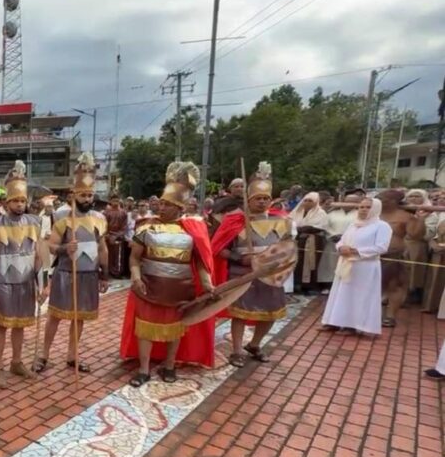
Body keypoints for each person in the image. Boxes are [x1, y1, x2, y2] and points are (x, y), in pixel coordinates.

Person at [120, 162, 216, 387]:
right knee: (145, 329)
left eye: (167, 204)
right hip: (149, 286)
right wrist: (135, 277)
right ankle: (143, 369)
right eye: (160, 203)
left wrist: (207, 282)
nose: (161, 208)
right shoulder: (146, 227)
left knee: (175, 329)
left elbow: (200, 262)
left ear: (179, 207)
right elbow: (134, 258)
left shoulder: (193, 230)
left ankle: (169, 365)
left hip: (180, 289)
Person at [33, 153, 109, 374]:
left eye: (90, 195)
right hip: (66, 273)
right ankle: (44, 355)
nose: (87, 199)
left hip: (89, 275)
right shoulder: (63, 219)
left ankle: (72, 355)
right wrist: (66, 248)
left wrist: (105, 274)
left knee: (80, 318)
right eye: (83, 195)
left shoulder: (99, 219)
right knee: (55, 316)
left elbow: (103, 248)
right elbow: (51, 247)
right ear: (74, 195)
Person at [211, 161, 292, 368]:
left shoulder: (281, 222)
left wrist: (281, 261)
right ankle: (237, 349)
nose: (262, 202)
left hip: (270, 275)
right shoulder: (235, 221)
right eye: (258, 198)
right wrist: (241, 258)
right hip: (242, 274)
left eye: (266, 198)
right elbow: (219, 249)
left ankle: (254, 345)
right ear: (249, 200)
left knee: (271, 313)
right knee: (240, 313)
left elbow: (288, 247)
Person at [0, 161, 41, 390]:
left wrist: (42, 285)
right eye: (16, 200)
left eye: (22, 200)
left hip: (26, 283)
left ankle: (16, 362)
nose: (20, 204)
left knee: (20, 325)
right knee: (2, 326)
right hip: (3, 284)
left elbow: (38, 256)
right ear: (7, 202)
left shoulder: (34, 223)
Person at [321, 198, 392, 335]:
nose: (364, 209)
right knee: (340, 294)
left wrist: (355, 251)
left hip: (365, 267)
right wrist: (341, 248)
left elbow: (381, 247)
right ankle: (334, 322)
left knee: (358, 296)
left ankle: (352, 325)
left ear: (376, 209)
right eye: (361, 207)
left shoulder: (381, 226)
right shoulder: (354, 224)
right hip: (347, 263)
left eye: (368, 207)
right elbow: (342, 240)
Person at [379, 189, 420, 328]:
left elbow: (415, 235)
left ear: (395, 201)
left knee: (394, 286)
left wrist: (419, 217)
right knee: (370, 286)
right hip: (371, 255)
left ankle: (390, 316)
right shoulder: (373, 213)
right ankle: (369, 313)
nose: (382, 200)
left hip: (394, 255)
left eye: (386, 198)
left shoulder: (405, 216)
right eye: (381, 198)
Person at [318, 192, 361, 295]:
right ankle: (327, 286)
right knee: (329, 264)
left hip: (350, 245)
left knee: (347, 265)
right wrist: (333, 235)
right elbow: (325, 226)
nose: (349, 204)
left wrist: (345, 237)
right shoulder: (332, 213)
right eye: (347, 201)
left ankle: (346, 288)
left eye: (353, 202)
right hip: (332, 242)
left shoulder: (360, 214)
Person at [289, 192, 329, 295]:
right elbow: (288, 223)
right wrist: (298, 230)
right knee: (297, 262)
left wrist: (301, 229)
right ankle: (296, 284)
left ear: (316, 202)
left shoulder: (320, 213)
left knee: (310, 263)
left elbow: (317, 227)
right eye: (305, 200)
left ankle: (309, 286)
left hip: (313, 241)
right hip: (297, 240)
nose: (307, 203)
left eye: (310, 201)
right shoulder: (297, 211)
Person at [403, 189, 431, 304]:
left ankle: (412, 294)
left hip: (418, 246)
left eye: (417, 196)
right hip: (402, 244)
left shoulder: (430, 212)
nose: (414, 198)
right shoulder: (402, 212)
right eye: (411, 196)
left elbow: (428, 233)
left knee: (416, 272)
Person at [104, 200, 130, 278]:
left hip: (118, 237)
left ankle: (117, 272)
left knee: (118, 255)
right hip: (108, 236)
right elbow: (104, 226)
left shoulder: (123, 213)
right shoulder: (106, 213)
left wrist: (116, 236)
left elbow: (124, 226)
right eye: (113, 200)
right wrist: (108, 236)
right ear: (110, 201)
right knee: (108, 255)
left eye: (116, 200)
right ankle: (108, 271)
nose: (115, 202)